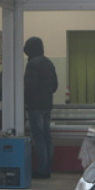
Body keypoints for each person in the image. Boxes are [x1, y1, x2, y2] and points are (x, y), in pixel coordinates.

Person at [24, 37, 58, 179]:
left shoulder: (32, 64)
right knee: (46, 137)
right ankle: (47, 168)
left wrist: (25, 100)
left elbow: (29, 86)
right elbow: (55, 85)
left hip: (35, 106)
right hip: (47, 105)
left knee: (38, 138)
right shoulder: (49, 63)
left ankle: (42, 169)